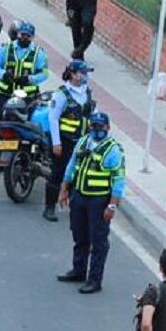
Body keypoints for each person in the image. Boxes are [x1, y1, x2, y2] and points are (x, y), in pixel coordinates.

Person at [56, 109, 125, 294]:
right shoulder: (83, 142)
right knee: (79, 235)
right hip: (79, 196)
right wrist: (64, 189)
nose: (97, 129)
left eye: (100, 126)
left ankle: (95, 279)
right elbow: (71, 166)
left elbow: (118, 180)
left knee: (99, 241)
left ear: (108, 127)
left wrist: (112, 205)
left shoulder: (113, 150)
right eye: (93, 125)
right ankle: (79, 270)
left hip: (99, 200)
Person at [0, 21, 49, 173]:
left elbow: (45, 73)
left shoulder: (38, 53)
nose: (24, 38)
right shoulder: (6, 49)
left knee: (28, 128)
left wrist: (30, 79)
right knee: (3, 127)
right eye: (22, 34)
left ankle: (29, 158)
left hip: (28, 97)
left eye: (28, 36)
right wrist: (3, 75)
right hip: (6, 95)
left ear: (32, 37)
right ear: (18, 34)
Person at [40, 60, 95, 221]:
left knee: (78, 174)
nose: (85, 76)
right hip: (64, 141)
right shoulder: (62, 94)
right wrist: (56, 143)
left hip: (81, 141)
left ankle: (75, 207)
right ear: (72, 74)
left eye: (86, 73)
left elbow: (91, 113)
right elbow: (53, 118)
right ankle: (49, 207)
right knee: (58, 174)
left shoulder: (86, 92)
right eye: (82, 73)